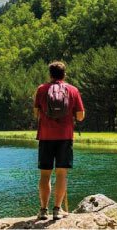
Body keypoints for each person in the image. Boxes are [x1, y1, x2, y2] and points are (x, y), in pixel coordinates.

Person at [33, 61, 84, 220]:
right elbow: (80, 116)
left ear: (50, 74)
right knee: (61, 174)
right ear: (64, 74)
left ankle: (43, 210)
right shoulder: (73, 90)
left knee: (45, 175)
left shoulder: (41, 89)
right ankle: (57, 210)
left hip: (46, 136)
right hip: (65, 137)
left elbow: (36, 114)